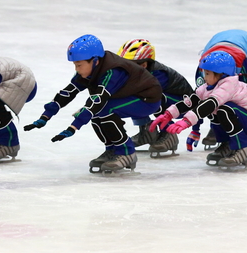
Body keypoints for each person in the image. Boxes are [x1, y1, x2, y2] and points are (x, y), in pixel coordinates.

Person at [23, 34, 162, 173]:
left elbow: (98, 100)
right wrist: (44, 117)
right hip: (127, 95)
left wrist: (73, 127)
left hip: (147, 98)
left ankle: (126, 152)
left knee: (105, 109)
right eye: (75, 65)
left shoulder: (113, 71)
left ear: (94, 61)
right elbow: (68, 92)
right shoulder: (90, 69)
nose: (76, 69)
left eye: (79, 65)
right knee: (97, 112)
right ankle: (112, 150)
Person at [151, 51, 247, 168]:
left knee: (222, 110)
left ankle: (244, 149)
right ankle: (227, 144)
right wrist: (169, 114)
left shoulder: (229, 85)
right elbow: (192, 101)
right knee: (215, 113)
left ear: (221, 75)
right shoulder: (208, 87)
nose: (204, 77)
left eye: (207, 74)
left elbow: (211, 103)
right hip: (246, 122)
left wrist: (187, 120)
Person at [189, 29, 247, 151]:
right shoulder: (203, 73)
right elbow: (202, 101)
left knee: (238, 96)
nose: (205, 77)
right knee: (212, 96)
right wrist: (195, 129)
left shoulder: (240, 69)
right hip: (216, 46)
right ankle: (218, 128)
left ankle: (241, 133)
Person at [116, 39, 194, 157]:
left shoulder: (158, 74)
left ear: (144, 65)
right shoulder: (138, 73)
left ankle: (168, 134)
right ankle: (147, 132)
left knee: (151, 96)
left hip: (184, 105)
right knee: (134, 97)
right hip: (170, 102)